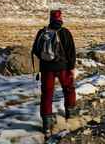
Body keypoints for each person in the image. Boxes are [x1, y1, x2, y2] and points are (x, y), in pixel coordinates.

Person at [31, 10, 77, 138]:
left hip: (46, 69)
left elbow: (35, 50)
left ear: (50, 19)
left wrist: (45, 58)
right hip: (63, 67)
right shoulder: (65, 32)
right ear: (60, 18)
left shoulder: (42, 32)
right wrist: (71, 67)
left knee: (47, 94)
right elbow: (71, 51)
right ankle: (70, 114)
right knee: (68, 89)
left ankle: (46, 125)